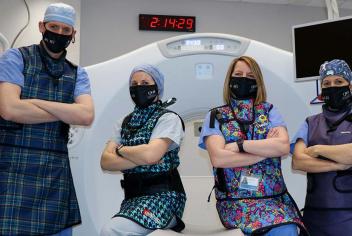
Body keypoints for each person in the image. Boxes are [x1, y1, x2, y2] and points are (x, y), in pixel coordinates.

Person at [0, 3, 94, 235]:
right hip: (12, 167)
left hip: (55, 173)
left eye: (66, 30)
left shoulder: (77, 73)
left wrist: (33, 103)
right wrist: (65, 110)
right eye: (54, 27)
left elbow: (85, 115)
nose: (59, 34)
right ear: (42, 27)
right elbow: (10, 110)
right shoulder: (15, 57)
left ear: (73, 34)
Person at [198, 56, 307, 236]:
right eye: (238, 74)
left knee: (288, 229)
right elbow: (218, 158)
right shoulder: (215, 115)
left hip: (275, 200)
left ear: (257, 82)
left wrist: (240, 145)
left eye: (250, 76)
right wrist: (265, 151)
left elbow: (282, 146)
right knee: (282, 230)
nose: (243, 79)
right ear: (229, 80)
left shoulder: (269, 111)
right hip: (236, 202)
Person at [100, 64, 186, 236]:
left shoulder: (168, 118)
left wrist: (121, 149)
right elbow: (105, 162)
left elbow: (150, 155)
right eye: (134, 83)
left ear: (157, 88)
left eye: (145, 82)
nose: (139, 87)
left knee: (110, 231)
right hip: (132, 201)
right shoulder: (124, 122)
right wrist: (143, 158)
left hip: (164, 199)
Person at [291, 59, 352, 235]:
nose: (332, 86)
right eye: (327, 83)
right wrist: (338, 164)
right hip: (314, 218)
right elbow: (298, 161)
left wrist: (317, 150)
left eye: (339, 82)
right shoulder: (311, 123)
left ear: (350, 86)